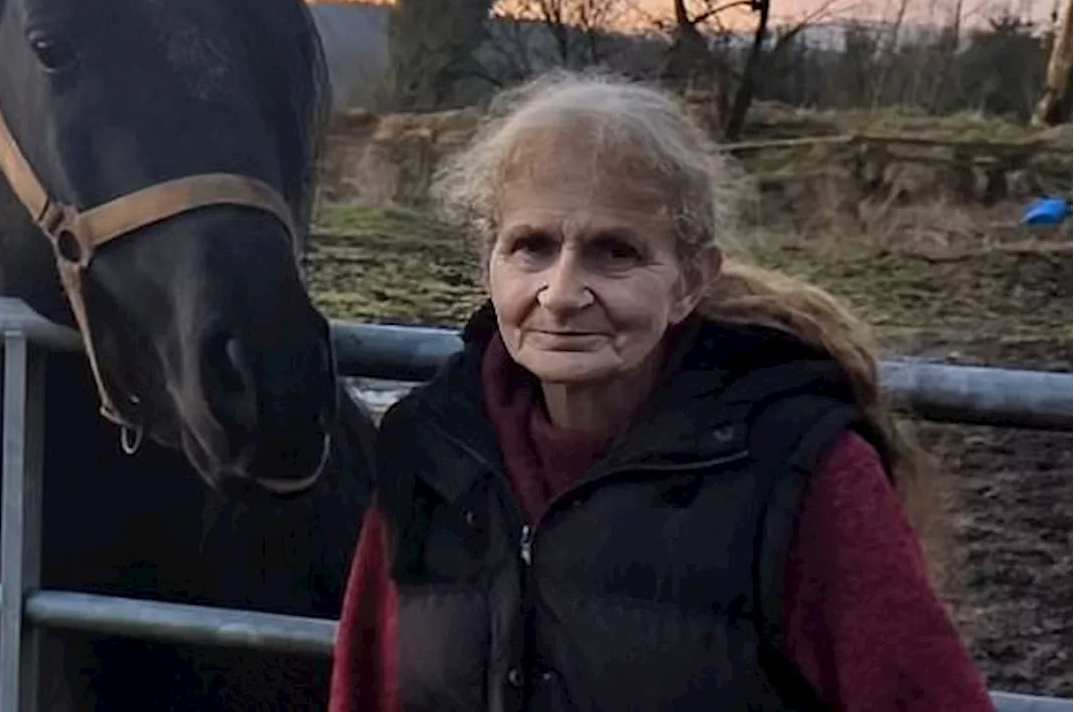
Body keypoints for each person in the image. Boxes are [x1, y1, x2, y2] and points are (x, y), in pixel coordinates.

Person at [329, 70, 994, 711]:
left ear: (689, 281)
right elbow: (363, 691)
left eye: (614, 251)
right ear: (488, 264)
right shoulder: (431, 450)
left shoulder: (796, 469)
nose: (561, 294)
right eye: (531, 245)